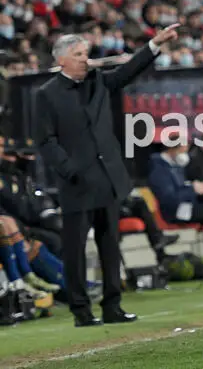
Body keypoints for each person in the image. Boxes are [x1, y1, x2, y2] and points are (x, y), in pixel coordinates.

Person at [33, 24, 181, 328]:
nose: (85, 59)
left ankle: (113, 305)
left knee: (110, 244)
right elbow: (46, 141)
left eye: (86, 53)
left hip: (108, 178)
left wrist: (154, 44)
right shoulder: (46, 95)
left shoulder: (98, 81)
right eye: (77, 55)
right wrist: (69, 170)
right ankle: (81, 311)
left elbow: (128, 72)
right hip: (77, 184)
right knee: (75, 251)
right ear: (61, 60)